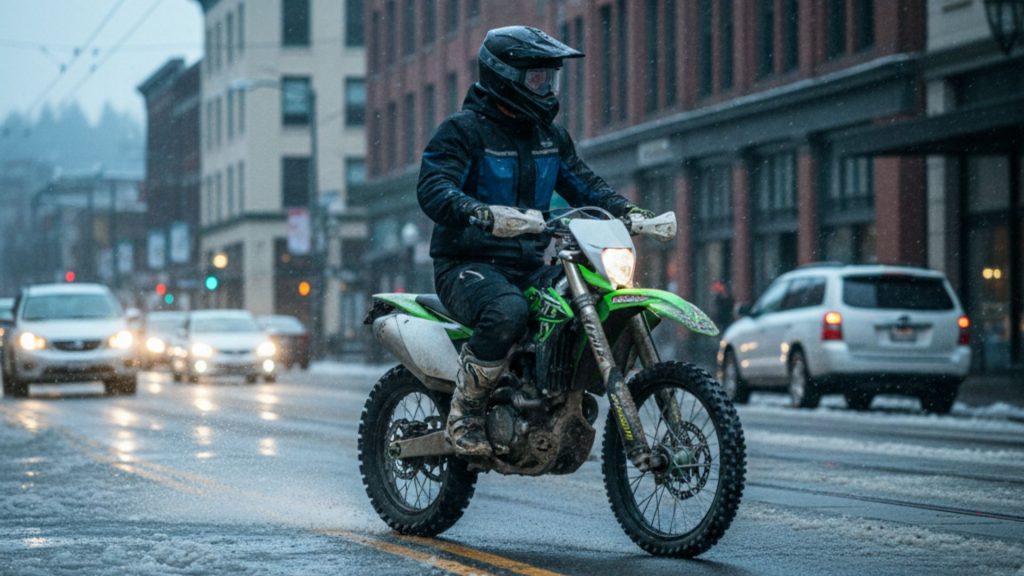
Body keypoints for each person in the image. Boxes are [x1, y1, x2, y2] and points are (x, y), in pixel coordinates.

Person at [417, 25, 654, 457]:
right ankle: (465, 413)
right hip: (465, 264)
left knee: (581, 300)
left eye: (551, 77)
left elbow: (584, 183)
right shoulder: (463, 131)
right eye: (537, 78)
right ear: (505, 76)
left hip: (527, 263)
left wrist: (629, 211)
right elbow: (434, 186)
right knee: (508, 310)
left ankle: (547, 394)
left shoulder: (550, 136)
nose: (547, 87)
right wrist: (477, 211)